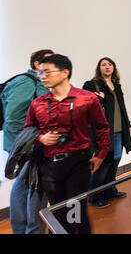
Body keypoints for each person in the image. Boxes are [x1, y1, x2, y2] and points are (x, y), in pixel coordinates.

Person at [23, 54, 110, 234]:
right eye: (40, 73)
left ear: (64, 72)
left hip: (78, 162)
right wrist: (41, 138)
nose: (42, 76)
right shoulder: (37, 104)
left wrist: (101, 155)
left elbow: (102, 127)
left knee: (76, 211)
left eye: (47, 71)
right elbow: (28, 130)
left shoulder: (87, 99)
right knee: (58, 212)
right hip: (49, 166)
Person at [1, 49, 54, 234]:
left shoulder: (42, 83)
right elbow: (13, 120)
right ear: (37, 65)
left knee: (25, 187)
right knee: (32, 189)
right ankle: (30, 230)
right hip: (28, 147)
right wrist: (29, 144)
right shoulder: (25, 82)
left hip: (36, 146)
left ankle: (27, 230)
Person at [83, 57, 131, 209]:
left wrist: (127, 124)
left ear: (113, 67)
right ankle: (95, 195)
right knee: (104, 162)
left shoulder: (116, 86)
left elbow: (121, 106)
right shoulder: (93, 85)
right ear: (99, 69)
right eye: (103, 65)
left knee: (116, 159)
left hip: (119, 128)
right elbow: (85, 104)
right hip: (104, 131)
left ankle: (110, 190)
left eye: (109, 64)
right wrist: (98, 99)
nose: (107, 67)